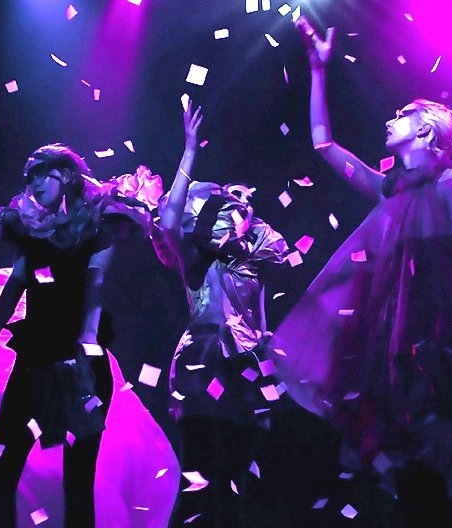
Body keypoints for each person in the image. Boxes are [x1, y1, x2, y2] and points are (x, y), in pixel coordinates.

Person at [269, 16, 452, 526]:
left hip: (438, 326)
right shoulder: (391, 187)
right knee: (399, 436)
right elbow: (324, 146)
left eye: (401, 116)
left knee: (437, 427)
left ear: (424, 130)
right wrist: (319, 70)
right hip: (394, 326)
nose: (389, 120)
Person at [0, 143, 168, 527]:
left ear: (67, 176)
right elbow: (3, 306)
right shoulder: (31, 238)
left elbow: (94, 291)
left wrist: (85, 354)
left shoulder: (96, 231)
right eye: (30, 176)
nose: (34, 182)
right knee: (0, 467)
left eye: (43, 172)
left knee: (77, 484)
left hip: (80, 365)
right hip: (33, 364)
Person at [151, 101, 292, 527]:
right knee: (199, 476)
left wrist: (269, 358)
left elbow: (259, 325)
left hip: (244, 369)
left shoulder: (254, 265)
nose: (237, 207)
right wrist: (189, 151)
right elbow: (169, 224)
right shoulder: (196, 259)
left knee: (237, 480)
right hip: (203, 363)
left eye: (243, 203)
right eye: (229, 200)